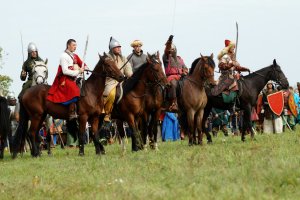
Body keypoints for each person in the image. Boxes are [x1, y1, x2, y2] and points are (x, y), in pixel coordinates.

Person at [47, 39, 86, 120]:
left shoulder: (75, 56)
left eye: (76, 45)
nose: (75, 47)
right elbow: (65, 71)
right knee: (74, 90)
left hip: (74, 77)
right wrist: (78, 71)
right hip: (65, 79)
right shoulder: (63, 56)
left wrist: (86, 67)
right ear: (68, 45)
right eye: (73, 45)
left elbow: (82, 63)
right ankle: (71, 112)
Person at [103, 37, 132, 115]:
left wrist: (131, 76)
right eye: (117, 47)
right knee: (111, 94)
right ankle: (106, 114)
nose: (119, 49)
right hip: (111, 81)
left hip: (122, 81)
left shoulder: (123, 58)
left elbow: (128, 70)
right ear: (112, 48)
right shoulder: (108, 58)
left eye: (119, 47)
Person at [162, 35, 188, 111]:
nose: (172, 50)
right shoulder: (166, 57)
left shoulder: (180, 59)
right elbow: (166, 50)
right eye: (170, 49)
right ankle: (174, 103)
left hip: (181, 76)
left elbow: (185, 68)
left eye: (173, 49)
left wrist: (185, 72)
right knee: (173, 84)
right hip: (171, 77)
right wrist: (169, 42)